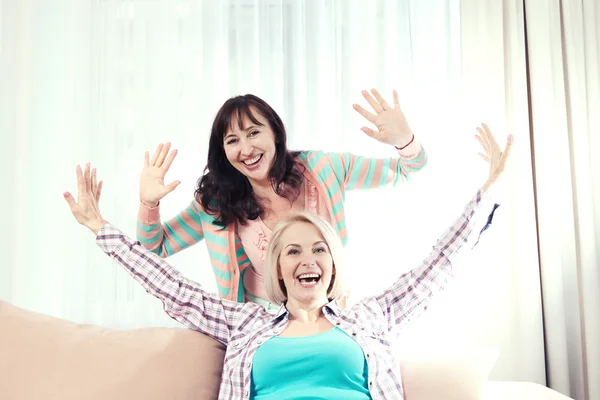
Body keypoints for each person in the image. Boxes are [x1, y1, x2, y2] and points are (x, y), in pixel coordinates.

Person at [64, 124, 513, 400]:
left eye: (319, 249)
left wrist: (487, 190)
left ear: (333, 265)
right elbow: (169, 285)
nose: (307, 260)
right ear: (276, 268)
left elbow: (439, 265)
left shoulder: (372, 317)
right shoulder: (244, 324)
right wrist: (101, 227)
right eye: (293, 251)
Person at [135, 89, 428, 310]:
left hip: (327, 315)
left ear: (275, 132)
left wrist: (405, 140)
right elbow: (155, 246)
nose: (246, 149)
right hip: (261, 329)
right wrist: (149, 204)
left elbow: (407, 171)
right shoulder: (215, 202)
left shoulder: (322, 169)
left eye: (253, 132)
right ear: (223, 151)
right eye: (232, 140)